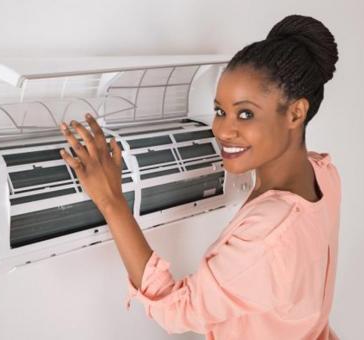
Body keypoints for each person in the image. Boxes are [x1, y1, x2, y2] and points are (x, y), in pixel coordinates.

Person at [59, 13, 341, 340]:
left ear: (295, 112)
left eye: (245, 113)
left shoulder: (265, 237)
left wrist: (111, 202)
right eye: (220, 111)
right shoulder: (325, 174)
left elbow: (178, 310)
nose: (221, 129)